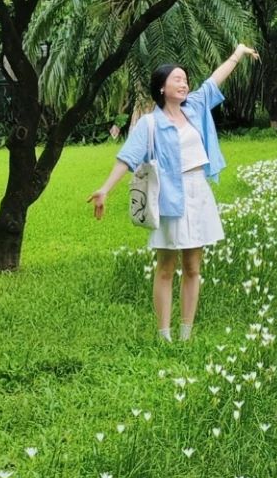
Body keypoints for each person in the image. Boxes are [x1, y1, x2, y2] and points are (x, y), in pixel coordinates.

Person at [88, 45, 258, 341]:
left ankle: (186, 332)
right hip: (169, 198)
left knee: (193, 266)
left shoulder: (194, 107)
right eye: (177, 79)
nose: (184, 83)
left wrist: (238, 53)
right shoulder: (150, 124)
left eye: (185, 79)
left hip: (198, 192)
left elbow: (213, 81)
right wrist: (105, 189)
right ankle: (164, 333)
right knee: (166, 267)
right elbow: (126, 158)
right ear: (162, 88)